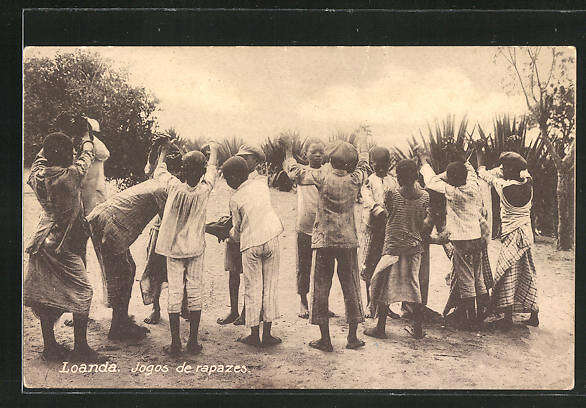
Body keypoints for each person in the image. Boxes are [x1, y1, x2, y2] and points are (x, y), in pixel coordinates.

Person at [282, 135, 369, 352]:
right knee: (351, 287)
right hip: (348, 241)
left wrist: (289, 153)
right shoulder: (355, 179)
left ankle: (325, 339)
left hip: (324, 240)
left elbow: (295, 173)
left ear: (331, 160)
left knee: (321, 287)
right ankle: (352, 338)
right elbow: (365, 162)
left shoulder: (322, 177)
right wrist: (363, 139)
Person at [23, 131, 106, 362]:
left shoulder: (37, 174)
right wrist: (87, 136)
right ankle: (80, 348)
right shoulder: (70, 176)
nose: (73, 153)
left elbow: (40, 157)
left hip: (42, 241)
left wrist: (53, 137)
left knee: (45, 294)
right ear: (64, 157)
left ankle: (50, 347)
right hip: (62, 244)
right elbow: (87, 156)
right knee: (83, 292)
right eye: (70, 151)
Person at [86, 146, 180, 340]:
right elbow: (168, 223)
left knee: (126, 270)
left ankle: (120, 320)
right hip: (111, 224)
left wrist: (161, 150)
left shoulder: (160, 179)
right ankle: (118, 327)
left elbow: (159, 165)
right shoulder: (165, 189)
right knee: (123, 273)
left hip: (105, 217)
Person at [153, 142, 220, 356]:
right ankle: (192, 342)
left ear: (182, 170)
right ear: (200, 172)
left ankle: (175, 344)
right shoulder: (204, 190)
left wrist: (163, 151)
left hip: (174, 250)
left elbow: (159, 171)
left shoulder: (174, 186)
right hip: (195, 248)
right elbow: (211, 170)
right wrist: (214, 150)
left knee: (174, 293)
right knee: (194, 292)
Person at [418, 149, 493, 329]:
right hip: (477, 239)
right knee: (478, 276)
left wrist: (424, 161)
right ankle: (482, 312)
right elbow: (471, 171)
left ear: (451, 179)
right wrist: (463, 161)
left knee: (466, 279)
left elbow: (431, 181)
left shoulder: (453, 191)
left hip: (462, 242)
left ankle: (470, 319)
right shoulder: (473, 186)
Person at [365, 159, 432, 340]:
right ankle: (417, 328)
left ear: (399, 177)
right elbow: (423, 222)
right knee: (413, 285)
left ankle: (380, 327)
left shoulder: (392, 194)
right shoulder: (425, 196)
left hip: (393, 246)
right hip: (414, 247)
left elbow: (386, 213)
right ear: (416, 175)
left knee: (385, 283)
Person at [222, 155, 284, 347]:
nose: (226, 181)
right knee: (269, 286)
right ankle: (268, 334)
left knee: (253, 288)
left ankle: (254, 334)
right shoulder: (261, 185)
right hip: (272, 236)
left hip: (252, 244)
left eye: (227, 177)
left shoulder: (235, 198)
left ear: (234, 177)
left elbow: (238, 233)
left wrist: (225, 233)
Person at [477, 149, 539, 330]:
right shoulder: (528, 182)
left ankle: (507, 317)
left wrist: (481, 155)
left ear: (511, 171)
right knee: (528, 271)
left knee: (507, 273)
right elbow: (523, 170)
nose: (501, 170)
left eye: (504, 168)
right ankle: (534, 313)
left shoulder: (505, 187)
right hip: (526, 234)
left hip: (512, 235)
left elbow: (483, 174)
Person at [283, 138, 336, 319]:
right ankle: (303, 301)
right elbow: (289, 165)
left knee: (325, 268)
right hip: (304, 227)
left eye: (321, 151)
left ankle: (322, 304)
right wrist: (288, 150)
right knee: (303, 266)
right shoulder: (301, 171)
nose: (318, 155)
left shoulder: (328, 171)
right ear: (306, 155)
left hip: (324, 228)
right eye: (314, 151)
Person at [217, 144, 266, 326]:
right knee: (233, 271)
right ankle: (234, 310)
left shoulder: (259, 180)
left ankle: (248, 311)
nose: (243, 161)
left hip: (249, 232)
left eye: (247, 158)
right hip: (235, 229)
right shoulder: (234, 172)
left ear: (255, 160)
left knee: (250, 274)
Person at [140, 140, 185, 325]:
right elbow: (151, 169)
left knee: (170, 271)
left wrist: (165, 150)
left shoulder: (171, 181)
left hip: (172, 231)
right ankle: (159, 308)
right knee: (160, 270)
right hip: (167, 231)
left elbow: (154, 169)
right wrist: (161, 150)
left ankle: (169, 308)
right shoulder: (171, 182)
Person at [360, 146, 398, 314]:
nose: (381, 167)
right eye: (377, 164)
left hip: (388, 229)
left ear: (389, 164)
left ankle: (385, 305)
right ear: (371, 164)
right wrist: (379, 210)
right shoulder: (369, 181)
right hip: (374, 228)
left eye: (385, 164)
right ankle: (370, 303)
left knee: (387, 265)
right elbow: (367, 199)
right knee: (370, 264)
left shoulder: (393, 180)